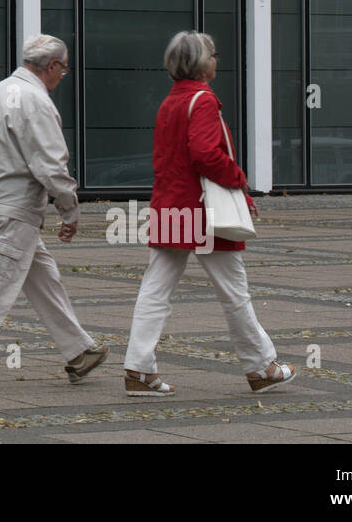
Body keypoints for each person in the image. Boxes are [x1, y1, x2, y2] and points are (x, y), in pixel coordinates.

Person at [122, 30, 295, 396]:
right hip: (202, 211)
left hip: (170, 204)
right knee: (234, 291)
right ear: (201, 63)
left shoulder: (171, 102)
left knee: (155, 290)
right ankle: (261, 366)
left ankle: (138, 369)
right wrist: (239, 179)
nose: (217, 59)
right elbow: (205, 154)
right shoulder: (203, 100)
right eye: (213, 54)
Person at [0, 34, 107, 390]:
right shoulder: (36, 101)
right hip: (17, 207)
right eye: (64, 68)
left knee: (44, 280)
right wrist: (69, 210)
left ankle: (80, 351)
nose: (64, 75)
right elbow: (51, 164)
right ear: (53, 66)